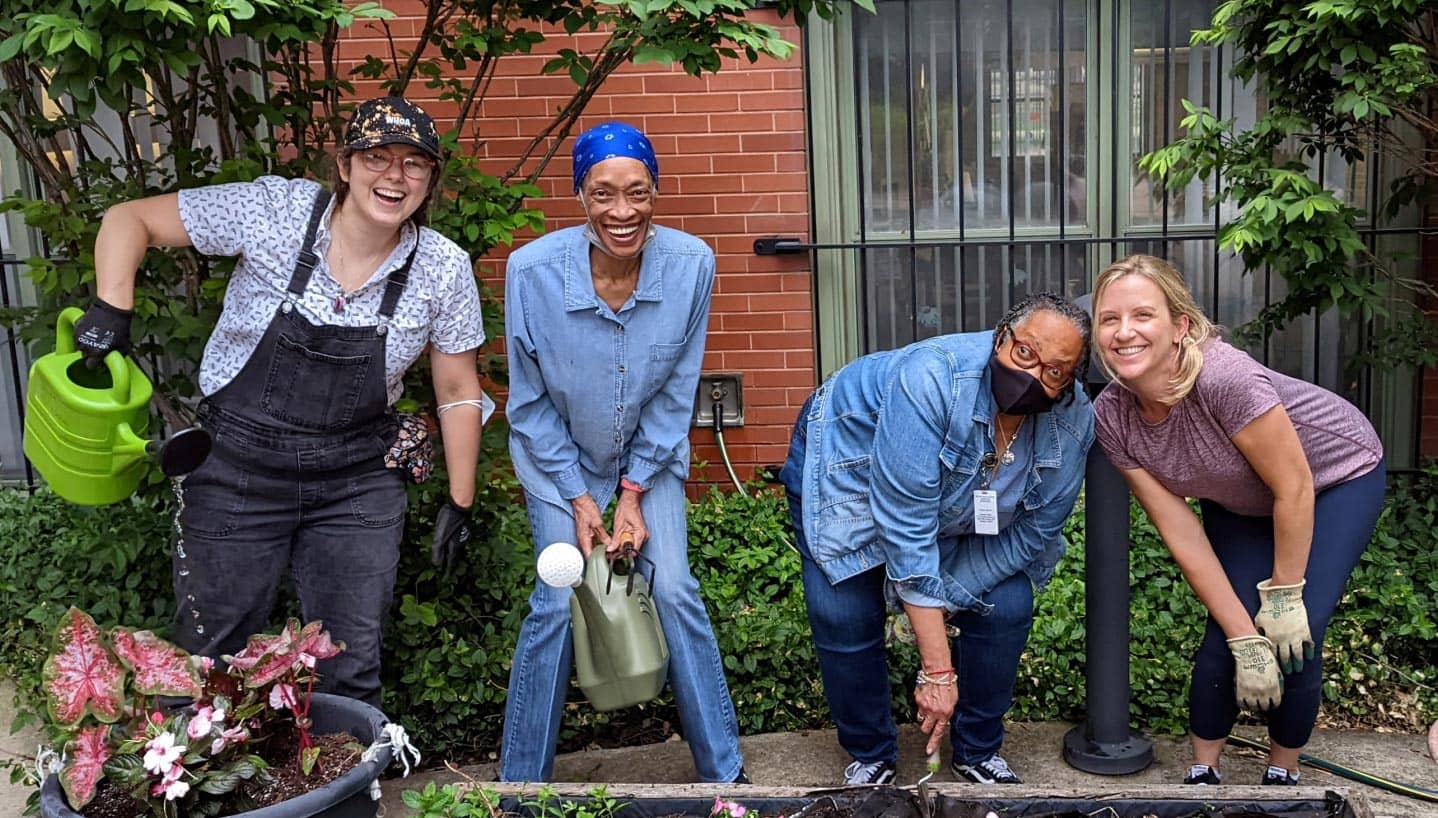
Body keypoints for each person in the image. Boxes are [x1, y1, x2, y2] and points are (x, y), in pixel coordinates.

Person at [74, 96, 487, 707]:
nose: (394, 177)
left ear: (430, 180)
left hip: (356, 480)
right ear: (345, 165)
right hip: (233, 466)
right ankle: (199, 795)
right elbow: (130, 219)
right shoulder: (275, 210)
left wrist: (461, 497)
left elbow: (456, 391)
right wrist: (112, 306)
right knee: (209, 657)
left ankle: (343, 796)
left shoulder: (443, 268)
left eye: (414, 164)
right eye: (377, 157)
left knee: (349, 661)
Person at [500, 122, 747, 783]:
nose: (622, 212)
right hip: (558, 466)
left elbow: (675, 392)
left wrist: (632, 493)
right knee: (557, 601)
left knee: (677, 590)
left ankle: (726, 778)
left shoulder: (692, 264)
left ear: (655, 191)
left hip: (648, 458)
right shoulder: (532, 273)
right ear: (580, 194)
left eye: (637, 192)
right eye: (603, 193)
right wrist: (581, 500)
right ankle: (520, 785)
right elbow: (527, 405)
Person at [1090, 254, 1385, 786]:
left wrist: (1284, 595)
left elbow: (1293, 486)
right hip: (1240, 499)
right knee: (1230, 637)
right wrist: (1241, 633)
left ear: (1180, 326)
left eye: (1142, 316)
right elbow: (1180, 530)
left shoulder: (1223, 378)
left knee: (1296, 636)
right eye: (1109, 319)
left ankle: (1283, 772)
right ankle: (1204, 772)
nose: (1124, 332)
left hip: (1333, 479)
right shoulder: (1112, 416)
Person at [778, 293, 1094, 786]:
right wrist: (937, 669)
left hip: (954, 498)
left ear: (1070, 382)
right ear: (999, 338)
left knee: (1007, 603)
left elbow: (1035, 532)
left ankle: (978, 750)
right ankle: (870, 753)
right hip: (847, 456)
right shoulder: (931, 378)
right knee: (844, 608)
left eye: (1055, 372)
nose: (1034, 376)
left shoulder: (1074, 423)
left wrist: (935, 601)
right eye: (1025, 353)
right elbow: (906, 525)